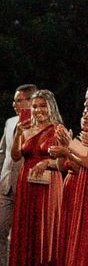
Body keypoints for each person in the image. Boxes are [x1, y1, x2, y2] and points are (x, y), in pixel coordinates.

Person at [9, 89, 63, 266]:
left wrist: (47, 162)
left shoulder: (58, 130)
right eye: (34, 106)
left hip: (49, 185)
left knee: (45, 229)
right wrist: (17, 134)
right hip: (26, 183)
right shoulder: (25, 129)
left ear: (50, 107)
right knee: (27, 229)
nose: (38, 110)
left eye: (42, 106)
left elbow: (65, 161)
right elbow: (16, 156)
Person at [0, 84, 37, 266]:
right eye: (14, 100)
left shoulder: (40, 124)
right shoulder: (10, 122)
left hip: (28, 186)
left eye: (18, 100)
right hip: (6, 186)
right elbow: (1, 153)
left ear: (30, 101)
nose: (14, 104)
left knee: (24, 235)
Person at [50, 88, 88, 266]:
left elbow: (85, 163)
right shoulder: (81, 140)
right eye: (85, 108)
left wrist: (67, 148)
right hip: (74, 191)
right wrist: (63, 151)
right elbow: (63, 167)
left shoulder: (78, 144)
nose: (86, 112)